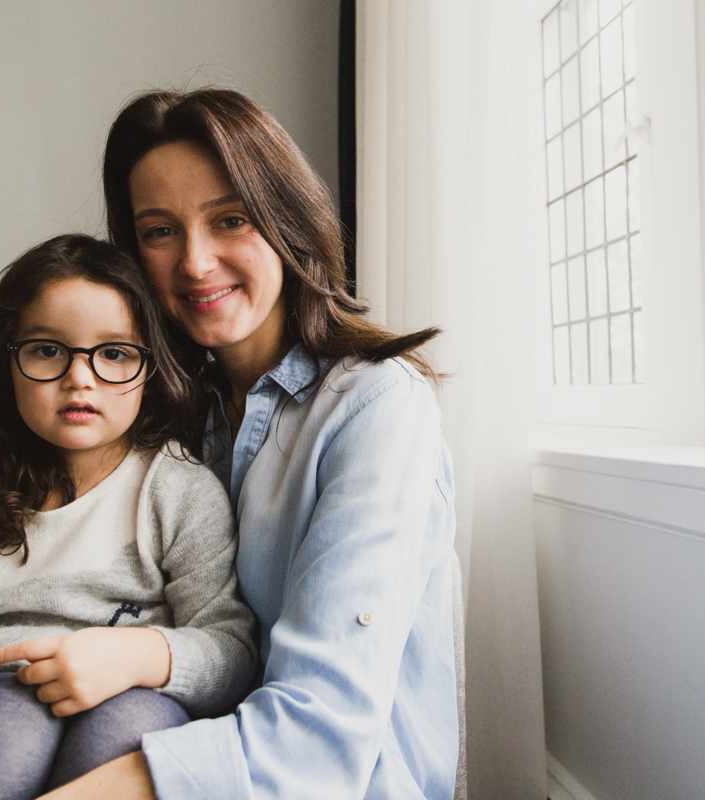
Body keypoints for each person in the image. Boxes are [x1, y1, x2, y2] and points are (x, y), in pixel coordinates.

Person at [28, 88, 458, 799]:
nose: (195, 263)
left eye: (231, 219)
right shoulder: (162, 418)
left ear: (288, 221)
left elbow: (315, 741)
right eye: (159, 232)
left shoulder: (378, 408)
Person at [0, 234, 257, 799]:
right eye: (47, 350)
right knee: (6, 708)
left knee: (132, 716)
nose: (80, 378)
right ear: (6, 361)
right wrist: (34, 656)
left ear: (150, 368)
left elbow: (233, 653)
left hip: (132, 711)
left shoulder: (178, 491)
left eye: (114, 353)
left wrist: (129, 656)